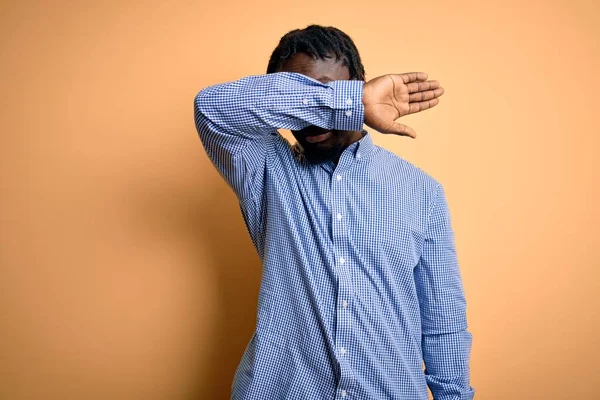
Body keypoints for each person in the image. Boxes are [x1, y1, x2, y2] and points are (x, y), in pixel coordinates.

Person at [194, 24, 475, 400]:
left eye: (327, 89)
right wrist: (345, 101)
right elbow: (211, 107)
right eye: (301, 97)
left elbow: (443, 319)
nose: (310, 118)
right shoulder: (264, 169)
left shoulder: (421, 191)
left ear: (358, 81)